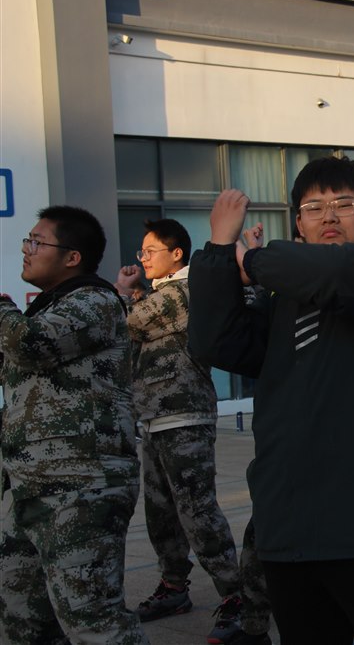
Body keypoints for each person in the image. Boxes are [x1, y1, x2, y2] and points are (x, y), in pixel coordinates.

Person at [187, 156, 354, 644]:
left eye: (344, 204)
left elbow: (337, 271)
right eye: (313, 208)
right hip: (291, 530)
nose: (329, 216)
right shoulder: (281, 302)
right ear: (298, 224)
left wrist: (253, 262)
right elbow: (213, 341)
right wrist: (219, 249)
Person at [0, 206, 148, 644]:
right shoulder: (49, 309)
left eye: (37, 242)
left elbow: (31, 345)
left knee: (93, 621)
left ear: (72, 257)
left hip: (81, 487)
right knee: (23, 619)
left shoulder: (94, 301)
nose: (27, 250)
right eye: (28, 240)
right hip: (28, 486)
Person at [115, 219, 243, 643]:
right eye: (141, 252)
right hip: (155, 417)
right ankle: (174, 587)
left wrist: (123, 293)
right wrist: (137, 290)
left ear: (176, 254)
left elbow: (128, 323)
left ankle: (237, 595)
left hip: (184, 415)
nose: (143, 259)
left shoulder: (183, 291)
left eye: (150, 251)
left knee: (197, 511)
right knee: (161, 513)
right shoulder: (161, 291)